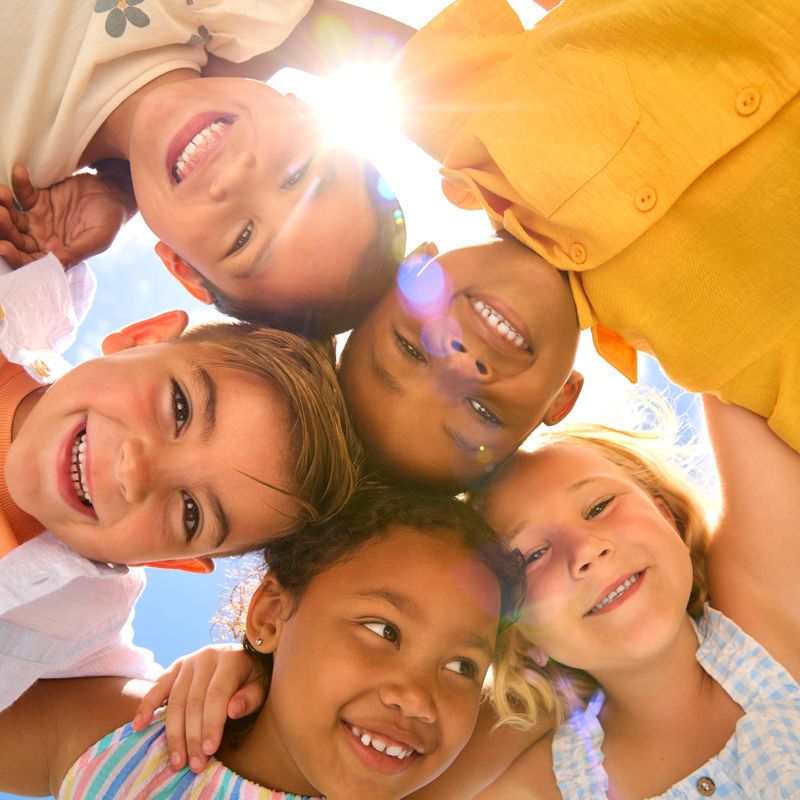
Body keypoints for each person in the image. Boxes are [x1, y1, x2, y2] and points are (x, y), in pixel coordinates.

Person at [339, 0, 800, 484]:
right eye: (481, 411)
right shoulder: (718, 356)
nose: (459, 363)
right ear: (562, 399)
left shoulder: (463, 104)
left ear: (414, 266)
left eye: (410, 350)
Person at [0, 483, 525, 800]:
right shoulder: (132, 743)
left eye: (462, 666)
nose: (417, 697)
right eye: (383, 631)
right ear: (270, 615)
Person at [0, 308, 359, 710]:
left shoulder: (81, 620)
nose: (134, 471)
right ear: (143, 337)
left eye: (191, 512)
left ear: (171, 559)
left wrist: (233, 675)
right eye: (180, 407)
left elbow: (154, 719)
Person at [0, 0, 410, 338]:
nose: (233, 178)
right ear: (306, 113)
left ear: (182, 266)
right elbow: (443, 67)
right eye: (296, 175)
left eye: (243, 237)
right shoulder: (215, 11)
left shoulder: (12, 181)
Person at [475, 395, 800, 797]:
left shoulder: (768, 617)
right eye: (534, 555)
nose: (587, 550)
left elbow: (733, 353)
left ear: (668, 520)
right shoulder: (538, 788)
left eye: (599, 506)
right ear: (519, 637)